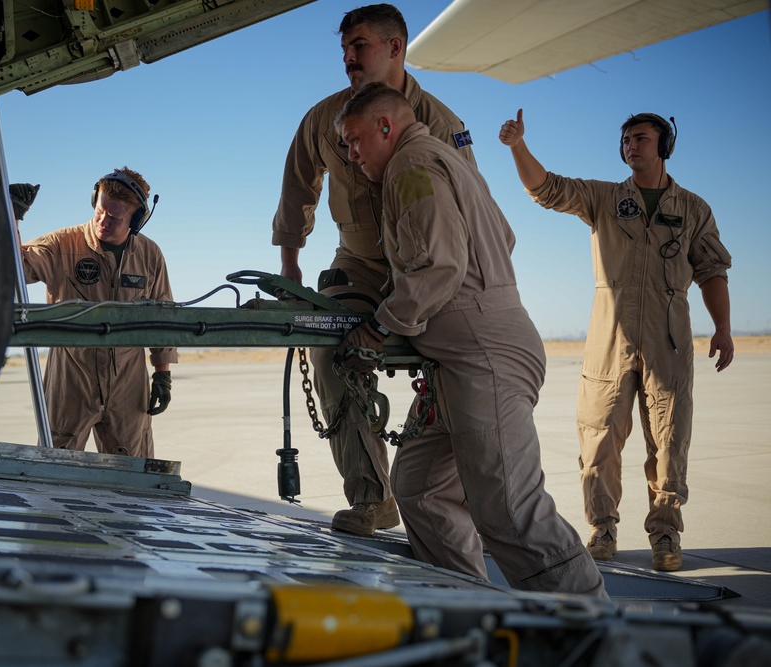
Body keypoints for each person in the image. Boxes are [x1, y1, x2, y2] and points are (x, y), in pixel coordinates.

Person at [332, 82, 607, 596]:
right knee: (419, 489)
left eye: (354, 141)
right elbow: (503, 235)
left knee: (510, 514)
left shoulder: (411, 167)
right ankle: (469, 611)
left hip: (482, 353)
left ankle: (594, 631)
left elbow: (440, 264)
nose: (351, 155)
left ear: (386, 127)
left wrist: (379, 324)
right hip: (459, 359)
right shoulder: (447, 160)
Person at [271, 3, 476, 536]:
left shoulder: (442, 123)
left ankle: (454, 504)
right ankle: (372, 498)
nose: (348, 58)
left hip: (428, 266)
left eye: (358, 45)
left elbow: (469, 207)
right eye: (343, 49)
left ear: (395, 47)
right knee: (332, 348)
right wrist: (291, 267)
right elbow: (298, 188)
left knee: (458, 364)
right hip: (359, 264)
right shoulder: (324, 118)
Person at [498, 110, 733, 572]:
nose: (631, 146)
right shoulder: (604, 198)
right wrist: (518, 147)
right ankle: (602, 529)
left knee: (669, 438)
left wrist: (722, 328)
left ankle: (666, 533)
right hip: (610, 335)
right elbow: (546, 188)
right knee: (599, 434)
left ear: (664, 147)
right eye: (625, 140)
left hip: (668, 335)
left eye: (641, 139)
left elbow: (712, 271)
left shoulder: (693, 208)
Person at [13, 169, 178, 455]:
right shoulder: (61, 245)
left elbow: (162, 316)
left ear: (136, 220)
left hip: (128, 380)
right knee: (55, 466)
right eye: (100, 211)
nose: (103, 221)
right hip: (70, 377)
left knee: (133, 472)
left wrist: (162, 374)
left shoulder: (150, 255)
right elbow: (12, 265)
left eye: (114, 218)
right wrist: (10, 217)